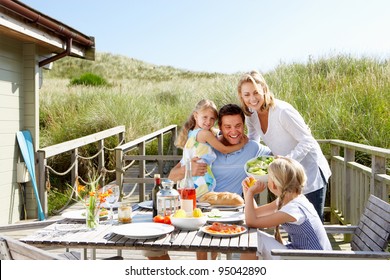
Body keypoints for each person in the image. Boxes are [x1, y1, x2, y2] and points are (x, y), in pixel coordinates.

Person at [169, 103, 271, 260]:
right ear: (219, 127)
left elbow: (278, 160)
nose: (234, 131)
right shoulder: (206, 146)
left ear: (243, 125)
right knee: (203, 252)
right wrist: (188, 169)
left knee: (251, 252)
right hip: (205, 211)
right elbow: (171, 175)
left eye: (238, 126)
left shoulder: (253, 148)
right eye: (228, 127)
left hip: (236, 214)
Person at [237, 70, 331, 221]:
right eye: (246, 94)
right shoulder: (251, 115)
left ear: (264, 90)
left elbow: (307, 140)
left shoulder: (282, 111)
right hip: (286, 174)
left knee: (312, 222)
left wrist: (286, 161)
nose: (252, 99)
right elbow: (254, 140)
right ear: (241, 96)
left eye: (256, 93)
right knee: (294, 223)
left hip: (310, 172)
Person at [242, 157, 332, 260]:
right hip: (305, 255)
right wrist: (247, 191)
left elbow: (251, 222)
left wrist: (250, 194)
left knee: (253, 239)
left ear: (275, 184)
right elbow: (256, 213)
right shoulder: (292, 199)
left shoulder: (292, 209)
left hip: (311, 262)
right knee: (253, 238)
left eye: (269, 177)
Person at [175, 99, 248, 198]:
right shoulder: (205, 134)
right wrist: (241, 144)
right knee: (203, 202)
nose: (208, 122)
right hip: (200, 178)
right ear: (196, 116)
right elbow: (224, 150)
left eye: (212, 119)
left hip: (190, 178)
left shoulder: (192, 133)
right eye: (205, 117)